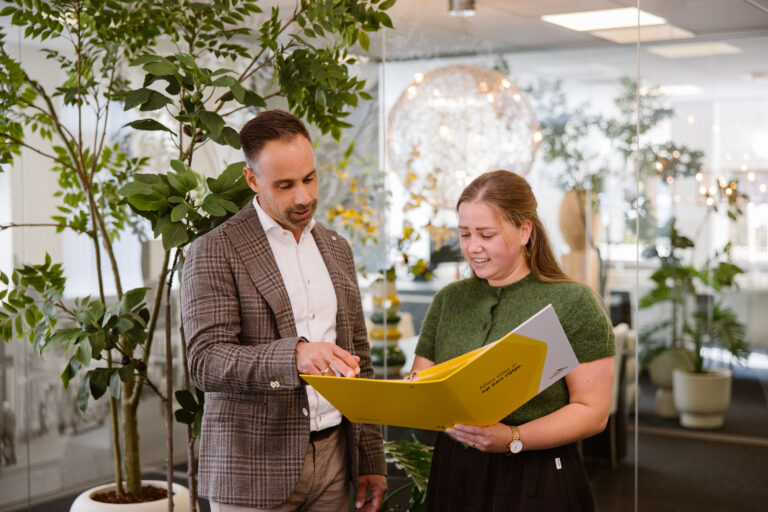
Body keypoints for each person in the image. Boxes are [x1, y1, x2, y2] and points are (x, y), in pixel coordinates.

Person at [182, 109, 387, 512]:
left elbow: (358, 356)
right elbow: (205, 361)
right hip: (252, 470)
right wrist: (294, 355)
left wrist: (369, 458)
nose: (303, 198)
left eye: (310, 179)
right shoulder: (214, 249)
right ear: (252, 180)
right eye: (285, 185)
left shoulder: (336, 247)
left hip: (335, 459)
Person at [409, 170, 615, 512]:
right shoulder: (449, 300)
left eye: (486, 235)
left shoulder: (573, 302)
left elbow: (592, 412)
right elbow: (420, 383)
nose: (472, 247)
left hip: (537, 474)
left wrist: (513, 439)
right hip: (456, 472)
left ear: (524, 231)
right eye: (464, 234)